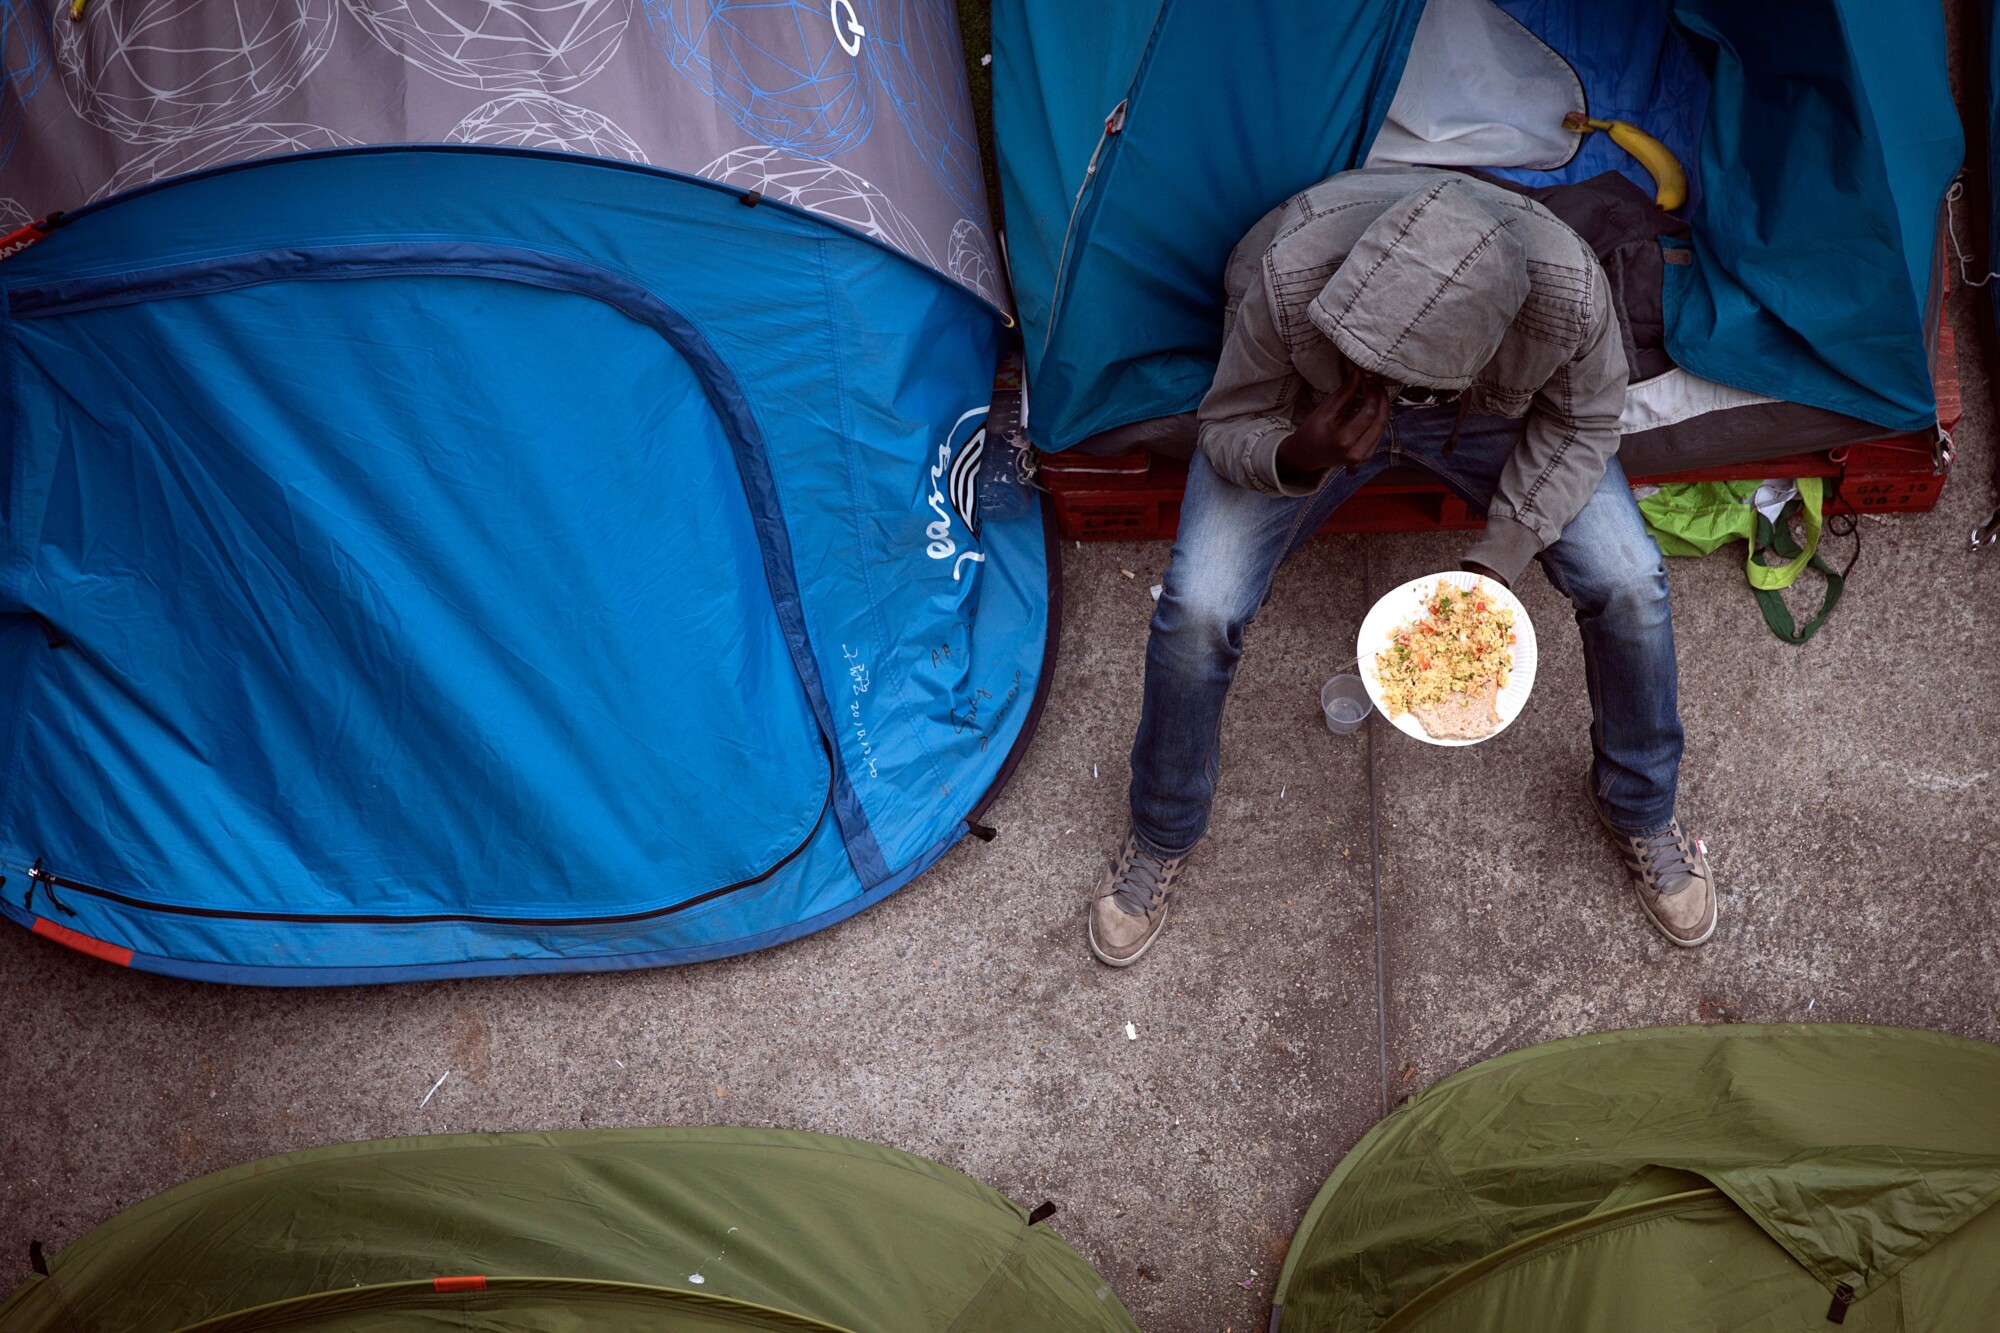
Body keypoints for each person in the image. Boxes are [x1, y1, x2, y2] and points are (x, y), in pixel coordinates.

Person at [1086, 167, 1714, 967]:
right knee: (1200, 605)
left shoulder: (1568, 295)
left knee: (1630, 580)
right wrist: (1295, 452)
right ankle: (1162, 825)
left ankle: (1641, 808)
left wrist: (1499, 557)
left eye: (1396, 380)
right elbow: (1230, 420)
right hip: (1303, 414)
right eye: (1357, 356)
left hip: (1479, 420)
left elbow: (1585, 420)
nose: (1378, 391)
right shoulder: (1284, 275)